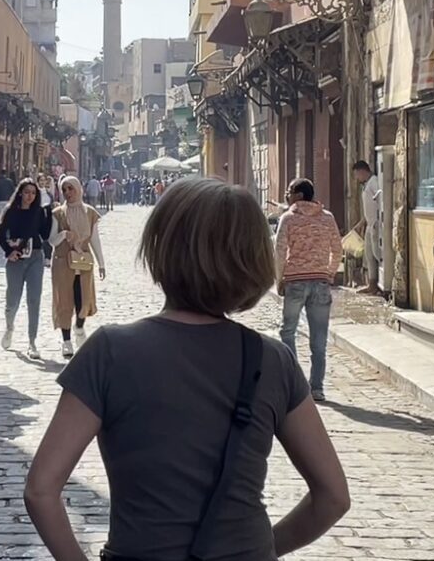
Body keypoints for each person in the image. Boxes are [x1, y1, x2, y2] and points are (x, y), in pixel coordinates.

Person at [25, 178, 350, 560]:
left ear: (161, 251)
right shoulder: (272, 360)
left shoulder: (109, 352)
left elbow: (41, 489)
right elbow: (333, 497)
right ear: (253, 260)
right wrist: (259, 548)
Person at [275, 178, 344, 403]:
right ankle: (317, 388)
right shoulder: (328, 218)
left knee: (288, 332)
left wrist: (279, 279)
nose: (287, 195)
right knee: (319, 338)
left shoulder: (288, 219)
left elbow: (279, 251)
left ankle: (296, 384)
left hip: (295, 281)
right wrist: (329, 273)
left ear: (299, 194)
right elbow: (338, 249)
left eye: (289, 191)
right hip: (321, 283)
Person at [49, 176, 105, 360]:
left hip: (84, 262)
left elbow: (95, 240)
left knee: (84, 300)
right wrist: (64, 234)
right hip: (63, 263)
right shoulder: (58, 213)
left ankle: (79, 327)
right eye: (64, 190)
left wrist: (102, 263)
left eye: (71, 188)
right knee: (64, 301)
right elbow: (51, 241)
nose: (68, 193)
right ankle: (66, 341)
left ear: (79, 189)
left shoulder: (90, 213)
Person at [0, 178, 50, 360]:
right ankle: (9, 327)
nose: (30, 196)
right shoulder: (11, 211)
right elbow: (0, 234)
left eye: (33, 193)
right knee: (12, 300)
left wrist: (49, 214)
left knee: (34, 300)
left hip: (35, 256)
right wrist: (8, 252)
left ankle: (32, 341)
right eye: (27, 192)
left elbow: (44, 234)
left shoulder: (39, 212)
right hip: (16, 259)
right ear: (20, 192)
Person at [352, 160, 382, 295]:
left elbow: (380, 199)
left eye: (357, 175)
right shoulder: (366, 185)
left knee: (377, 253)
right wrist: (361, 223)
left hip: (376, 224)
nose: (357, 178)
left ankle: (379, 284)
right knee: (369, 255)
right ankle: (372, 283)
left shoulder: (374, 182)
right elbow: (368, 208)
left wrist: (378, 220)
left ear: (362, 171)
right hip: (369, 224)